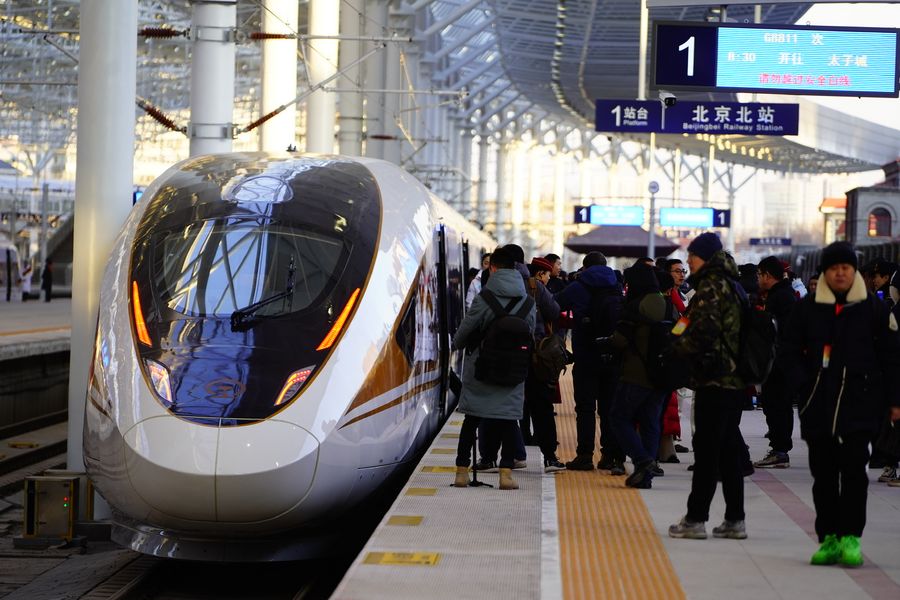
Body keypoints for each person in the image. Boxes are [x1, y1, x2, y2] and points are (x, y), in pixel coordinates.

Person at [780, 241, 900, 566]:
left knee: (854, 474)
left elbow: (892, 358)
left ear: (854, 271)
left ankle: (851, 537)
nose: (840, 273)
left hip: (861, 405)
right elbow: (788, 351)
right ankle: (829, 538)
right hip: (818, 405)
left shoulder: (873, 309)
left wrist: (894, 400)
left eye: (846, 267)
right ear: (825, 272)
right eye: (834, 268)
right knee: (823, 477)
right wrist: (802, 384)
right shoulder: (808, 308)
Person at [668, 232, 749, 541]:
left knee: (706, 452)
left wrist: (675, 349)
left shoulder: (712, 286)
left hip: (715, 380)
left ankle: (695, 519)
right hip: (733, 380)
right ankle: (735, 519)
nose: (688, 262)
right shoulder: (733, 284)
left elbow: (704, 333)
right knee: (728, 452)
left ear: (707, 257)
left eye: (693, 256)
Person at [452, 247, 536, 490]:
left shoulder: (484, 298)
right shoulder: (528, 302)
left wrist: (458, 344)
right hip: (513, 371)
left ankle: (461, 473)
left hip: (482, 370)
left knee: (471, 420)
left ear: (493, 268)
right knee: (508, 421)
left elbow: (464, 332)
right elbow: (530, 335)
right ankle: (505, 475)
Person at [554, 251, 626, 474]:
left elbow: (555, 305)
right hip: (612, 356)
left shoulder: (578, 286)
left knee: (585, 408)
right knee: (608, 408)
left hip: (586, 356)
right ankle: (609, 456)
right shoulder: (616, 285)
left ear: (585, 268)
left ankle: (585, 456)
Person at [607, 263, 669, 488]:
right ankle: (646, 476)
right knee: (650, 422)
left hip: (636, 374)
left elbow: (620, 340)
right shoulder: (667, 304)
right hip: (662, 375)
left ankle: (642, 461)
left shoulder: (634, 306)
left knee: (619, 418)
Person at [753, 256, 797, 469]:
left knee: (775, 404)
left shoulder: (779, 297)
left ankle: (779, 450)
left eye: (759, 275)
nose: (758, 279)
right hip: (782, 359)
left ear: (767, 275)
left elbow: (775, 331)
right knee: (780, 405)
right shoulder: (785, 294)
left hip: (778, 361)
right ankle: (780, 449)